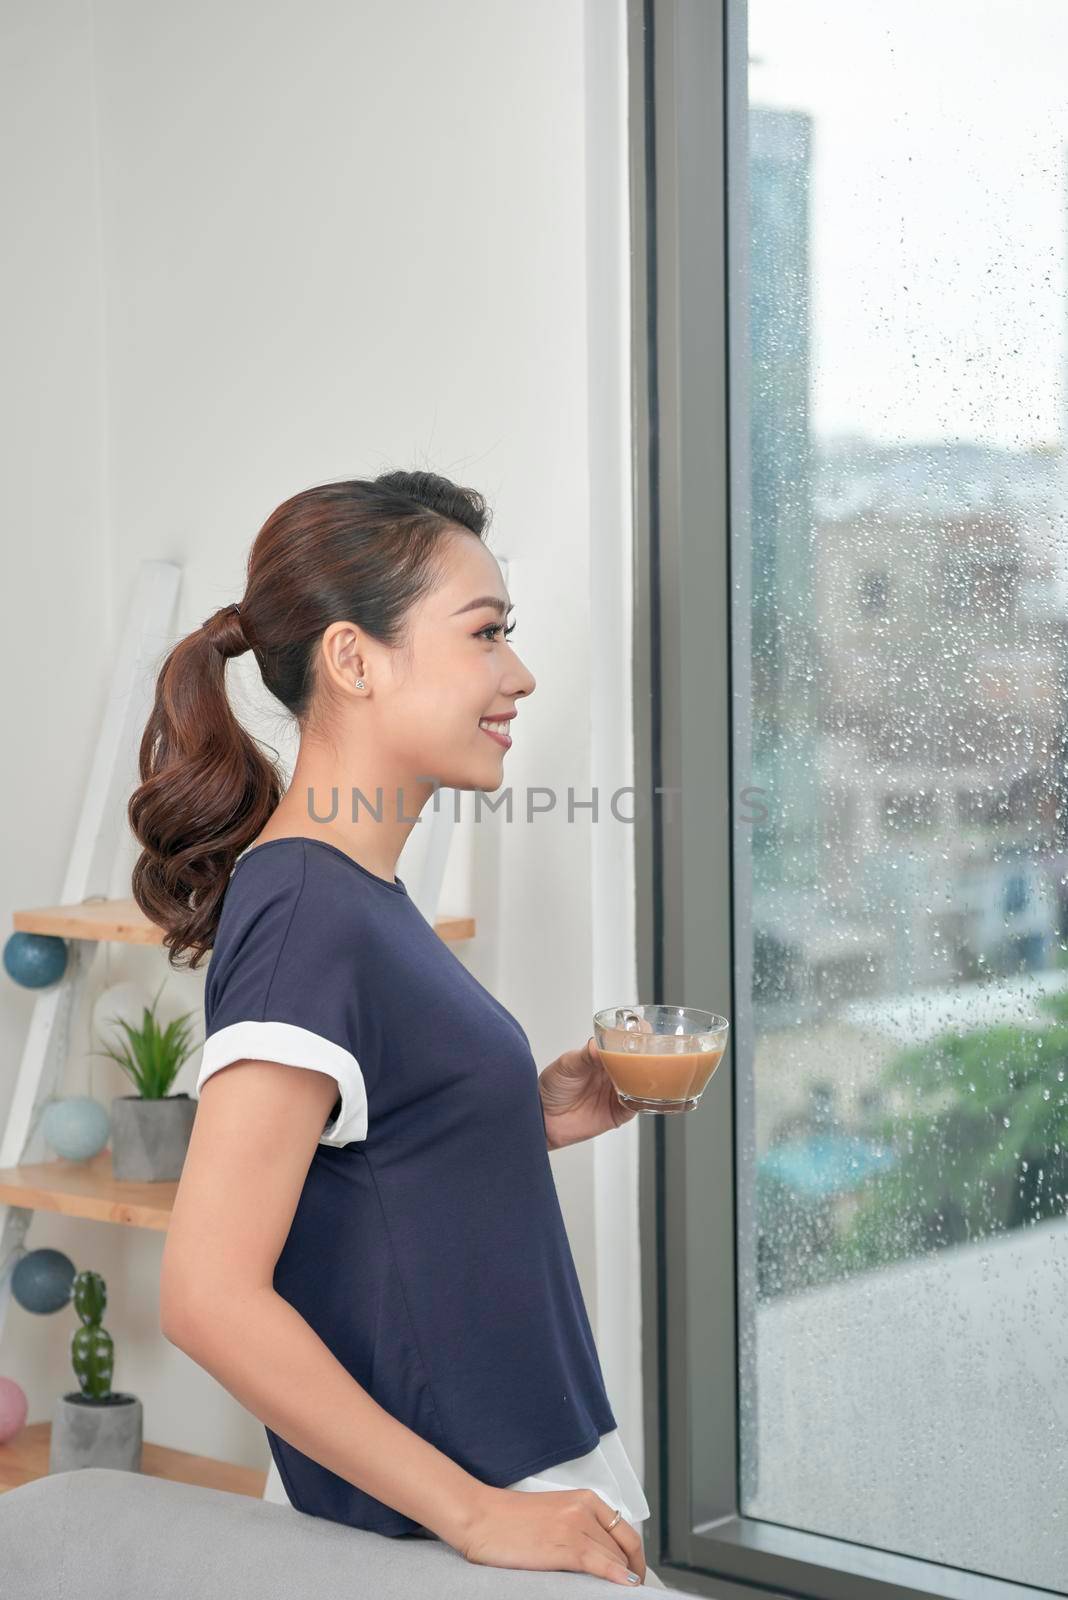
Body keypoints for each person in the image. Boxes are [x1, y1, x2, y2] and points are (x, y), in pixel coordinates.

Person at [135, 470, 670, 1589]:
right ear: (353, 660)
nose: (517, 674)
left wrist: (516, 1116)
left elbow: (362, 1165)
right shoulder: (306, 915)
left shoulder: (354, 896)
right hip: (460, 1519)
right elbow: (207, 1292)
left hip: (517, 1482)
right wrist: (477, 1518)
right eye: (485, 635)